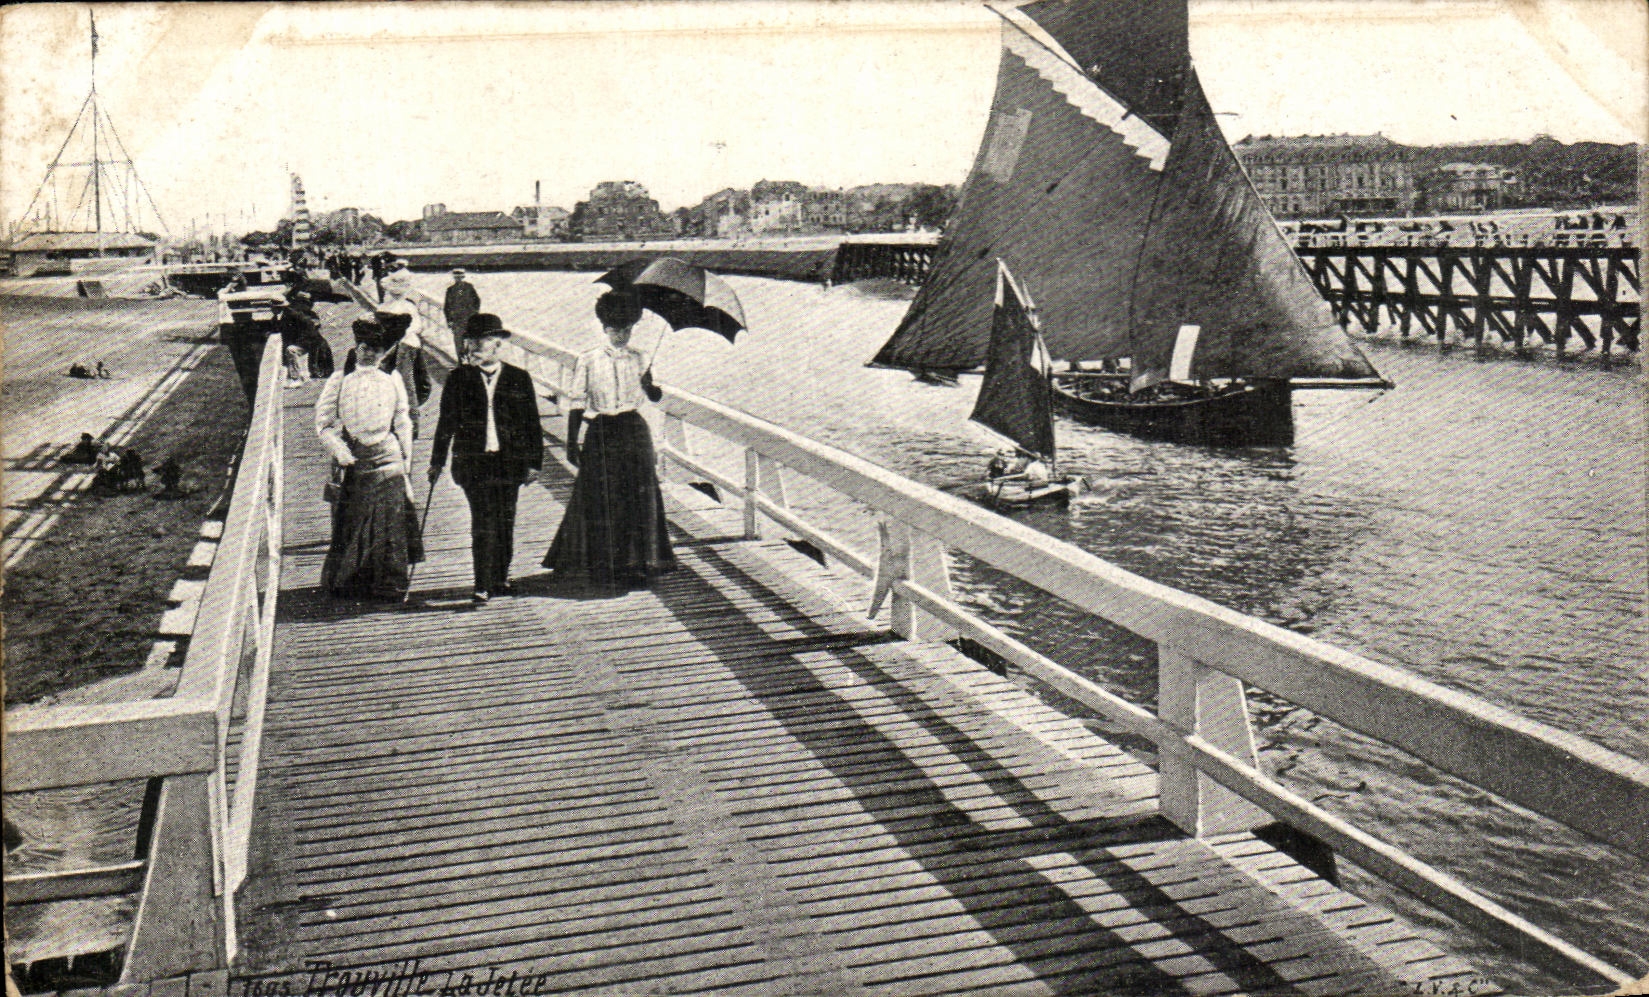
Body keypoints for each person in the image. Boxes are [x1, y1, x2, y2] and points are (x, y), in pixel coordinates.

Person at [543, 290, 675, 590]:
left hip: (634, 429)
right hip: (602, 430)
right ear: (604, 328)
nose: (621, 335)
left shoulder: (641, 357)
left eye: (627, 329)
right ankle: (601, 565)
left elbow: (654, 396)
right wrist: (571, 441)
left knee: (637, 496)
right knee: (601, 496)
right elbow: (577, 401)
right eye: (616, 329)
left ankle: (637, 564)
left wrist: (649, 385)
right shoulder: (589, 359)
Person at [429, 313, 543, 603]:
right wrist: (437, 461)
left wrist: (535, 463)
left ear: (498, 344)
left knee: (505, 521)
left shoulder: (519, 378)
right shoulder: (458, 378)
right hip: (474, 464)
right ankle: (481, 583)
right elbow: (446, 423)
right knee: (482, 522)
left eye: (482, 342)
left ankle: (500, 578)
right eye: (471, 342)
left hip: (510, 463)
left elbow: (532, 424)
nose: (475, 347)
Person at [315, 317, 424, 600]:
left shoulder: (393, 378)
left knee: (391, 521)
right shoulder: (339, 380)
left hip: (388, 454)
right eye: (364, 347)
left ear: (382, 352)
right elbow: (323, 424)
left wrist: (406, 460)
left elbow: (402, 419)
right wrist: (340, 450)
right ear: (356, 347)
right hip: (354, 455)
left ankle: (390, 584)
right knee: (355, 520)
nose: (369, 353)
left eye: (376, 349)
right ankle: (354, 584)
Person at [443, 269, 481, 353]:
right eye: (457, 277)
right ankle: (461, 362)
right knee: (458, 343)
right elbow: (447, 307)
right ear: (454, 278)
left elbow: (477, 301)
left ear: (463, 277)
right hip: (457, 321)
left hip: (469, 319)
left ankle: (469, 362)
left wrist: (475, 314)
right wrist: (449, 320)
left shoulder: (469, 287)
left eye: (460, 277)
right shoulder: (450, 290)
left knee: (470, 342)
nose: (459, 279)